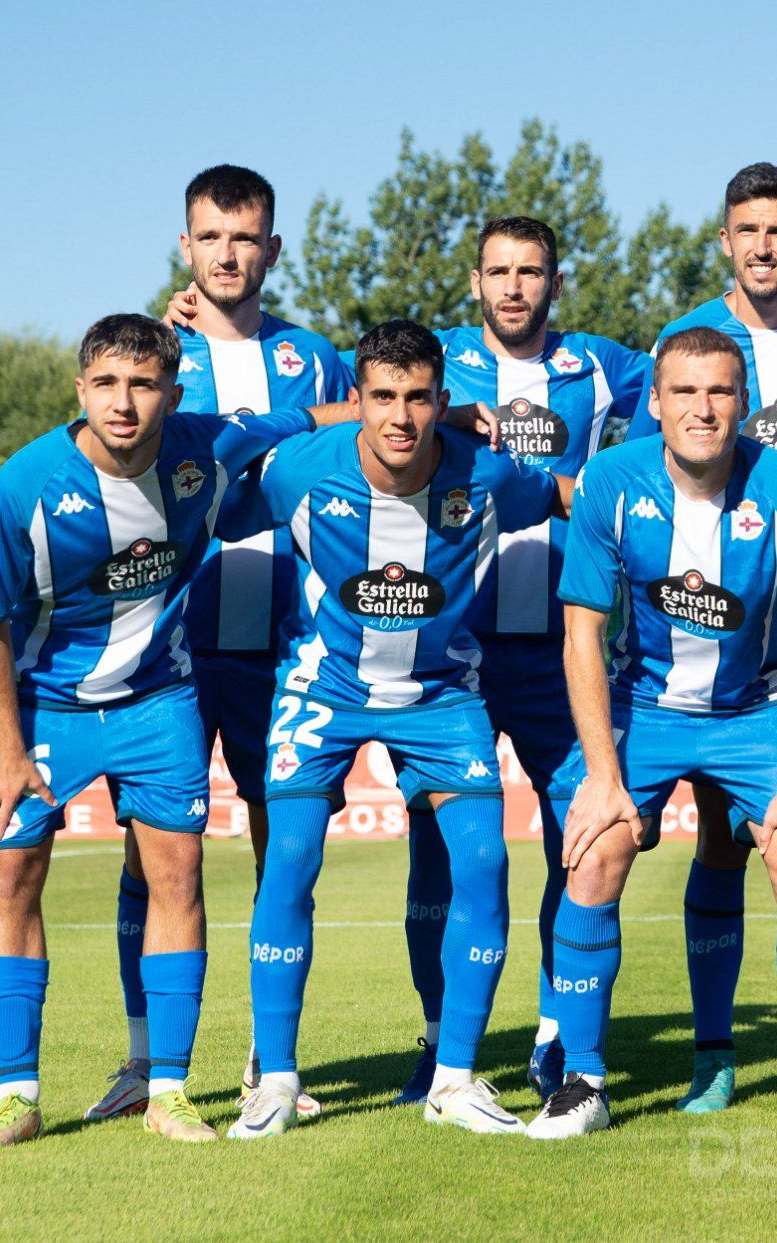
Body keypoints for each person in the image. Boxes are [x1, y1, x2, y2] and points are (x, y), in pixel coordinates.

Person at [0, 313, 334, 1150]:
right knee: (13, 874)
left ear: (173, 390)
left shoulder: (204, 449)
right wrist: (9, 748)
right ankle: (15, 1094)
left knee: (179, 871)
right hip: (41, 702)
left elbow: (317, 416)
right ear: (80, 387)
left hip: (157, 697)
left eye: (143, 384)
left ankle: (167, 1088)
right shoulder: (25, 486)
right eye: (107, 384)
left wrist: (446, 421)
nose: (123, 403)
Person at [222, 320, 568, 1141]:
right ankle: (273, 1079)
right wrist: (312, 417)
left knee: (484, 862)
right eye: (382, 397)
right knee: (292, 862)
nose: (401, 417)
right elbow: (218, 495)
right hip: (326, 688)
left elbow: (560, 495)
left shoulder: (484, 473)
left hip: (441, 692)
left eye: (419, 397)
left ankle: (454, 1076)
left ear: (443, 401)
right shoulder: (304, 470)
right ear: (359, 400)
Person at [529, 327, 777, 1139]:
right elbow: (582, 638)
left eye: (719, 392)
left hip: (759, 708)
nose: (702, 408)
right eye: (684, 392)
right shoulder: (609, 479)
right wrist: (603, 776)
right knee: (595, 849)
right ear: (657, 404)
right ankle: (583, 1081)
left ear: (744, 402)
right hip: (646, 706)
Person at [87, 164, 354, 1127]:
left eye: (245, 238)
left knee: (280, 840)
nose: (228, 254)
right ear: (186, 246)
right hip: (164, 630)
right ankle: (142, 1055)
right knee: (150, 847)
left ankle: (264, 1060)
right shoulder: (158, 355)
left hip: (278, 626)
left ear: (272, 249)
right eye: (211, 237)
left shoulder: (317, 360)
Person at [387, 215, 651, 1107]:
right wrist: (184, 323)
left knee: (574, 836)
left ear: (554, 280)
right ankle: (436, 1038)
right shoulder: (441, 362)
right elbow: (359, 397)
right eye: (497, 271)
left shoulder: (605, 366)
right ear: (474, 281)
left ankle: (551, 1034)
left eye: (530, 271)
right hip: (450, 651)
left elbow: (717, 375)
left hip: (559, 650)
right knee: (439, 847)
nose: (513, 287)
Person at [628, 163, 777, 1115]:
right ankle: (716, 1051)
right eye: (747, 229)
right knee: (722, 850)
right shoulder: (694, 340)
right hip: (706, 643)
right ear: (724, 238)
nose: (764, 245)